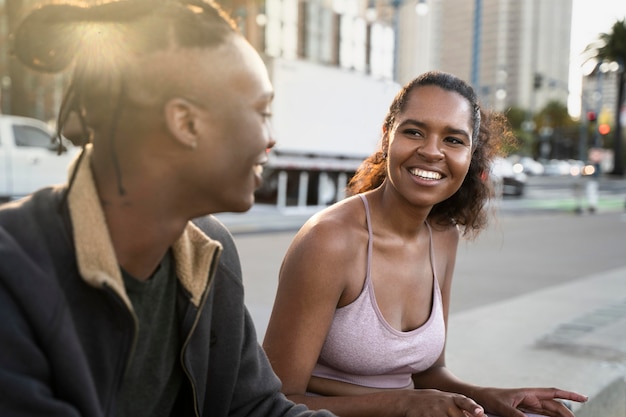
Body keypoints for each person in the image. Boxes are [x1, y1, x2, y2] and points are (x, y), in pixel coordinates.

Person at [0, 1, 337, 416]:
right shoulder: (13, 275)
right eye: (261, 112)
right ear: (186, 123)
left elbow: (257, 407)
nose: (271, 138)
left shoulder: (211, 253)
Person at [262, 71, 588, 417]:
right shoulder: (330, 241)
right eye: (414, 132)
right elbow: (277, 401)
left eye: (453, 140)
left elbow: (429, 374)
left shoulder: (443, 236)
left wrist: (490, 397)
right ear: (388, 137)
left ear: (470, 155)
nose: (432, 152)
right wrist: (401, 404)